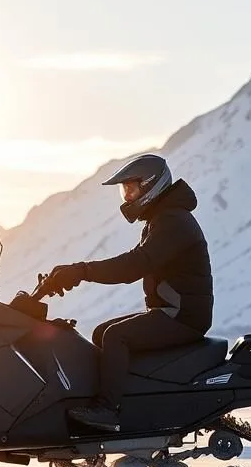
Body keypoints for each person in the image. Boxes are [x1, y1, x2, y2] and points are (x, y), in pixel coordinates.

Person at [42, 153, 214, 431]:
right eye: (125, 191)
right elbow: (134, 262)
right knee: (101, 333)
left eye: (131, 189)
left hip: (183, 317)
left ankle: (107, 410)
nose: (127, 197)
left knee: (115, 336)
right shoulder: (163, 218)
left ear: (151, 186)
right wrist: (72, 274)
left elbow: (133, 266)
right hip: (171, 312)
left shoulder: (173, 221)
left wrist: (81, 271)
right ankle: (128, 400)